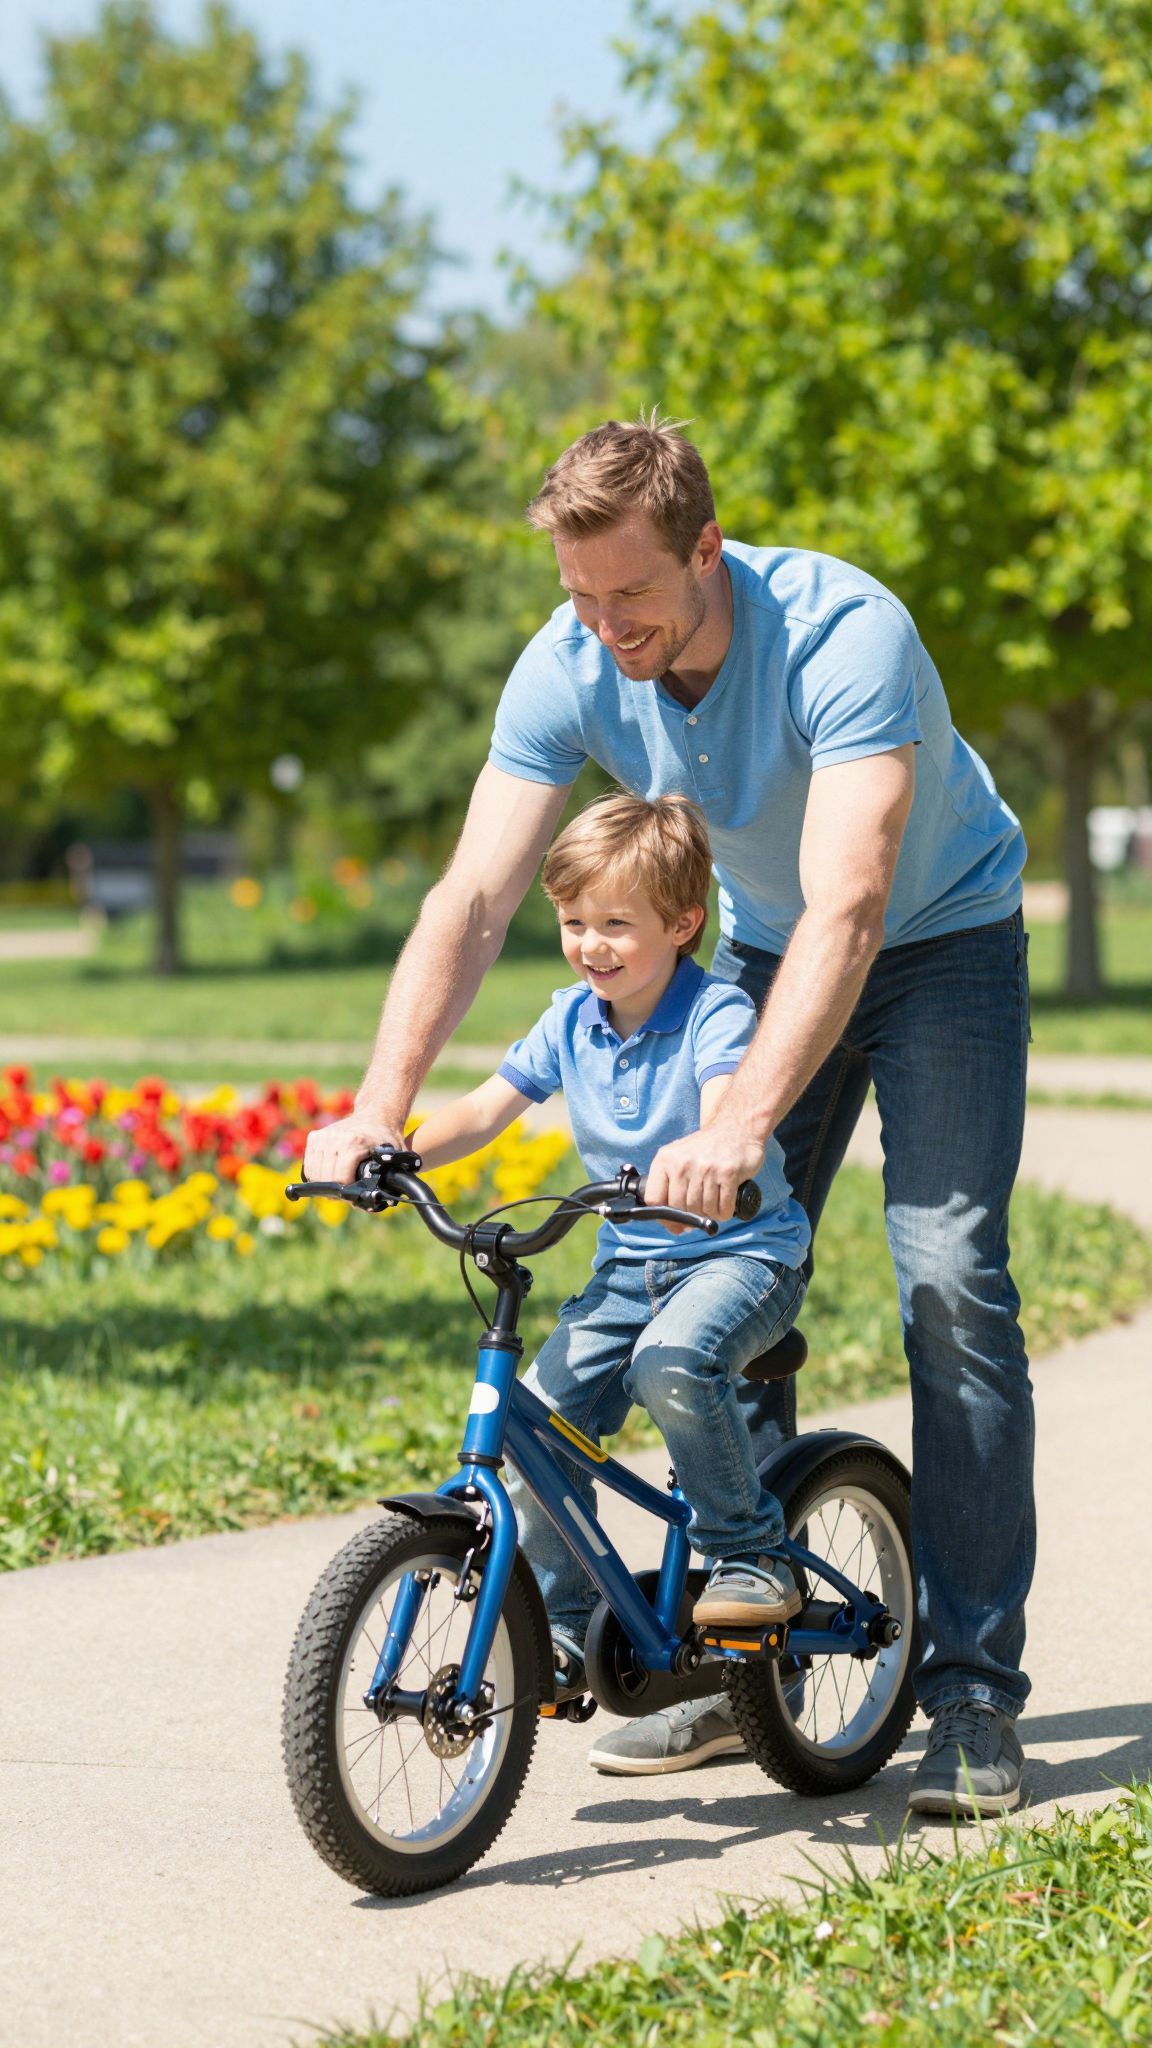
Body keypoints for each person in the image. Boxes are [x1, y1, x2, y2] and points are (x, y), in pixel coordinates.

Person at [304, 415, 1032, 1818]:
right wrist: (377, 1112)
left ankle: (971, 1695)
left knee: (948, 1283)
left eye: (630, 595)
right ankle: (724, 1660)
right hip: (772, 939)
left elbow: (857, 901)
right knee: (698, 1286)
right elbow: (471, 899)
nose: (605, 626)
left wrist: (743, 1119)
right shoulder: (569, 658)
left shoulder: (842, 633)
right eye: (580, 597)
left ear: (706, 548)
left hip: (939, 937)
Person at [410, 791, 811, 1699]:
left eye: (616, 924)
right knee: (534, 1427)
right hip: (630, 1264)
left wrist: (710, 1153)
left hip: (741, 1254)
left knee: (671, 1362)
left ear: (682, 922)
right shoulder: (569, 1019)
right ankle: (557, 1628)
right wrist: (391, 1146)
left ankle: (751, 1556)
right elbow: (485, 1108)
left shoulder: (716, 1014)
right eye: (573, 921)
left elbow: (723, 1104)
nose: (591, 944)